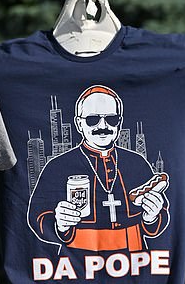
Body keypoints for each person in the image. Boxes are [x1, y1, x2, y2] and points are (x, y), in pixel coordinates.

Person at [27, 85, 169, 254]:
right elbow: (36, 216)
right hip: (77, 258)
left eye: (111, 119)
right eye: (92, 120)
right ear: (79, 124)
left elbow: (162, 217)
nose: (103, 126)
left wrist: (151, 216)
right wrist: (59, 224)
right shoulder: (58, 166)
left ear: (120, 122)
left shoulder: (136, 162)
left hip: (133, 255)